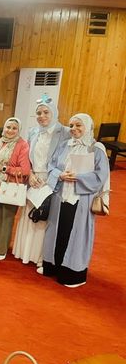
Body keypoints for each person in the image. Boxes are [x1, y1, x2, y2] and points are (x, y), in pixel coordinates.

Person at [40, 113, 110, 288]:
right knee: (57, 231)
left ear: (88, 127)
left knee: (75, 234)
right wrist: (60, 175)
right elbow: (51, 166)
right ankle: (52, 266)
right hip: (60, 197)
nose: (74, 129)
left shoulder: (95, 149)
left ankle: (71, 275)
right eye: (71, 125)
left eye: (78, 125)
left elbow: (101, 176)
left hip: (81, 199)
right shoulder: (65, 145)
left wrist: (79, 177)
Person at [12, 99, 71, 266]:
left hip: (52, 181)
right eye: (38, 113)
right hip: (33, 179)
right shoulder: (33, 132)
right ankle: (25, 252)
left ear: (54, 113)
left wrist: (50, 179)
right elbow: (26, 157)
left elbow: (67, 158)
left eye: (46, 112)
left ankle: (41, 257)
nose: (42, 116)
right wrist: (30, 174)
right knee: (30, 214)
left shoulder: (65, 132)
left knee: (46, 217)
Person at [0, 118, 30, 260]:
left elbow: (25, 170)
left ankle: (0, 249)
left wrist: (3, 168)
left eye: (14, 128)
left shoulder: (22, 145)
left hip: (6, 187)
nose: (10, 130)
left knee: (4, 219)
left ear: (19, 130)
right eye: (8, 127)